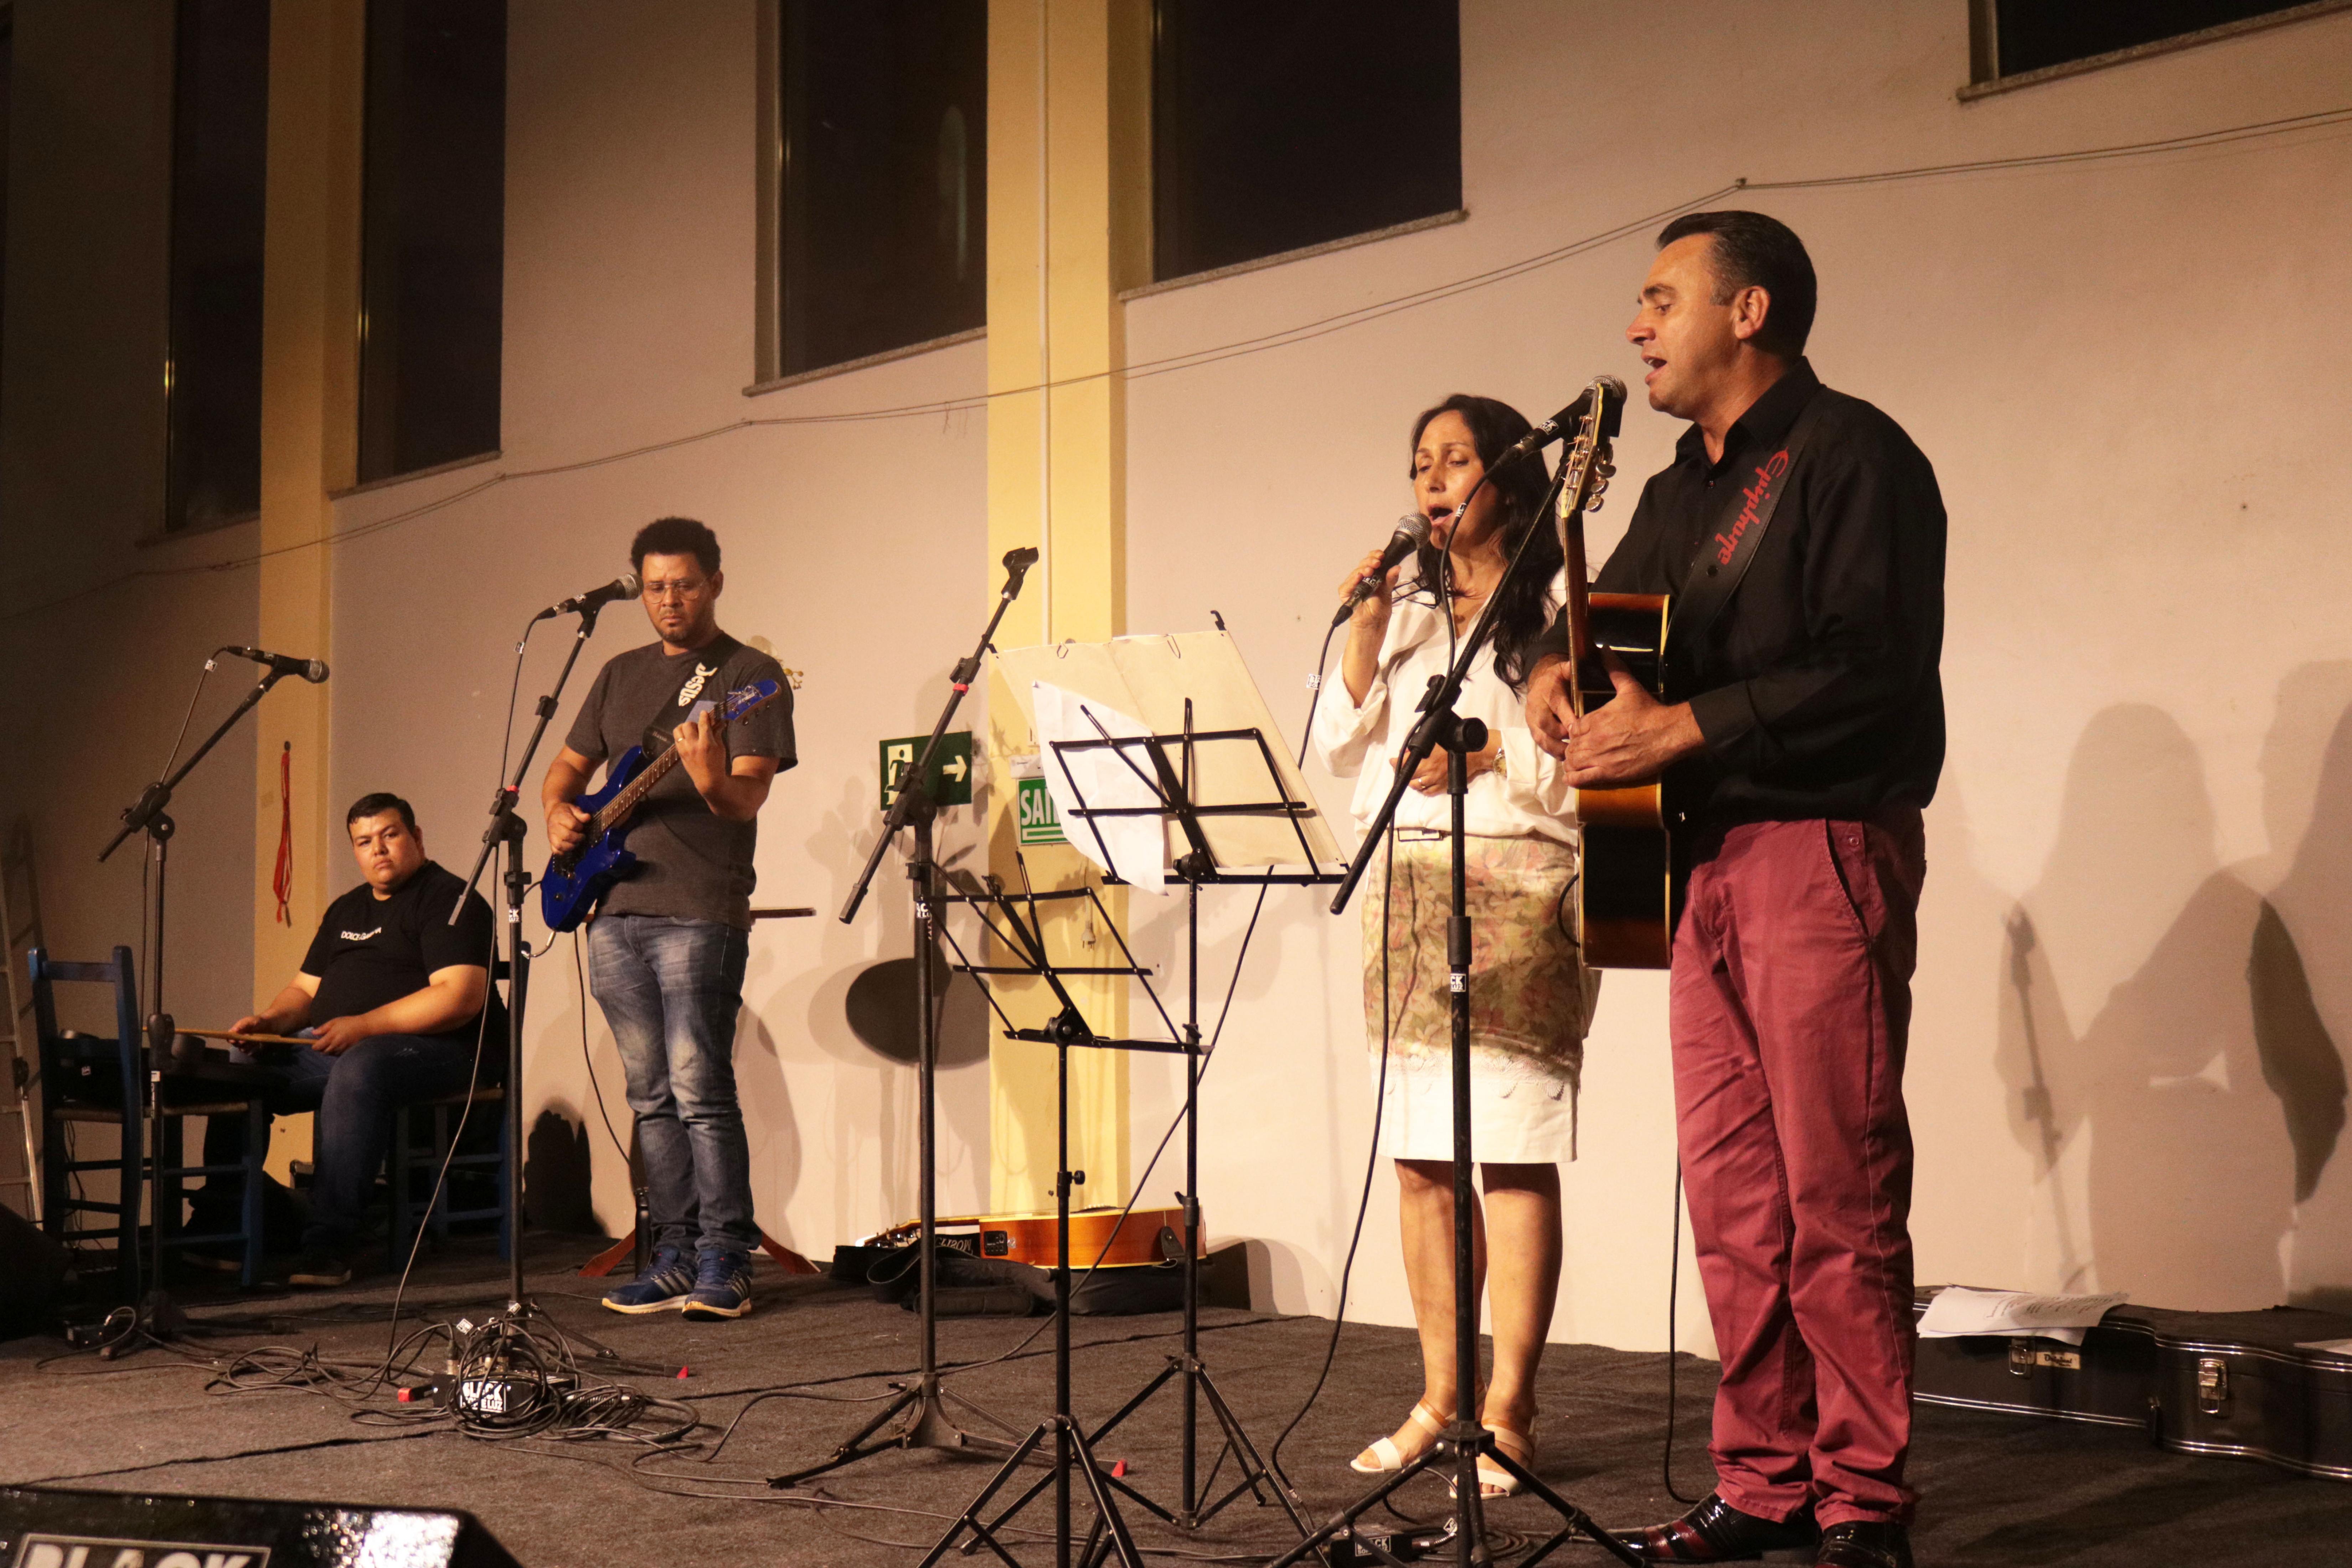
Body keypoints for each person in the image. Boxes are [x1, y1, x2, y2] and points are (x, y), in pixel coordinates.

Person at [1526, 212, 1944, 1568]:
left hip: (1819, 842)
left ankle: (1862, 1497)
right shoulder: (1675, 490)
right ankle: (1765, 1482)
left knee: (1838, 1190)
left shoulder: (1855, 455)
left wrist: (1684, 729)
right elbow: (1601, 623)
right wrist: (1549, 668)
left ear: (1748, 311)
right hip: (1700, 859)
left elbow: (1871, 668)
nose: (1636, 326)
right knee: (1735, 1198)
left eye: (1661, 299)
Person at [1313, 394, 1600, 1499]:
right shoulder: (1409, 610)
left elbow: (1586, 771)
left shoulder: (1562, 607)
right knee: (1422, 1158)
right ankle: (1441, 1398)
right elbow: (1341, 749)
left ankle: (1510, 1411)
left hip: (1522, 889)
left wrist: (1485, 761)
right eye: (1419, 463)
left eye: (1455, 460)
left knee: (1511, 1153)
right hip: (1407, 889)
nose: (1432, 480)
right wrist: (1364, 631)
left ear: (1509, 483)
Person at [544, 516, 794, 1321]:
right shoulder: (618, 674)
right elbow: (566, 768)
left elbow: (745, 798)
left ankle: (728, 1255)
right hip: (612, 911)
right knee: (649, 1093)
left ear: (715, 583)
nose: (669, 600)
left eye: (684, 584)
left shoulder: (752, 677)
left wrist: (709, 774)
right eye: (655, 587)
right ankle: (674, 1252)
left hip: (698, 910)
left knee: (699, 1087)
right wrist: (558, 813)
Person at [198, 793, 504, 1288]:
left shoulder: (451, 900)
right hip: (346, 1047)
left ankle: (329, 1242)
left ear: (416, 837)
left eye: (390, 835)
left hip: (449, 1052)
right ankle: (224, 1224)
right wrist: (270, 1021)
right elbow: (304, 992)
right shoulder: (346, 910)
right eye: (364, 842)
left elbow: (459, 998)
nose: (378, 850)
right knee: (240, 1066)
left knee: (360, 1066)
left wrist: (364, 1026)